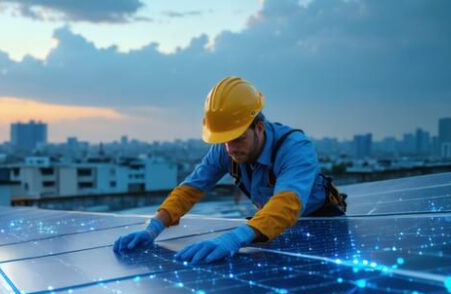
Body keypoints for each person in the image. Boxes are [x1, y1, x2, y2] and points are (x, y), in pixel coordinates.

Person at [113, 76, 346, 263]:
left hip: (321, 224)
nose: (231, 148)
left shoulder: (295, 148)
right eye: (225, 140)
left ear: (260, 128)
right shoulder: (225, 149)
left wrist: (235, 238)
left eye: (238, 139)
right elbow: (190, 189)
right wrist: (153, 228)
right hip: (270, 225)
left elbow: (287, 203)